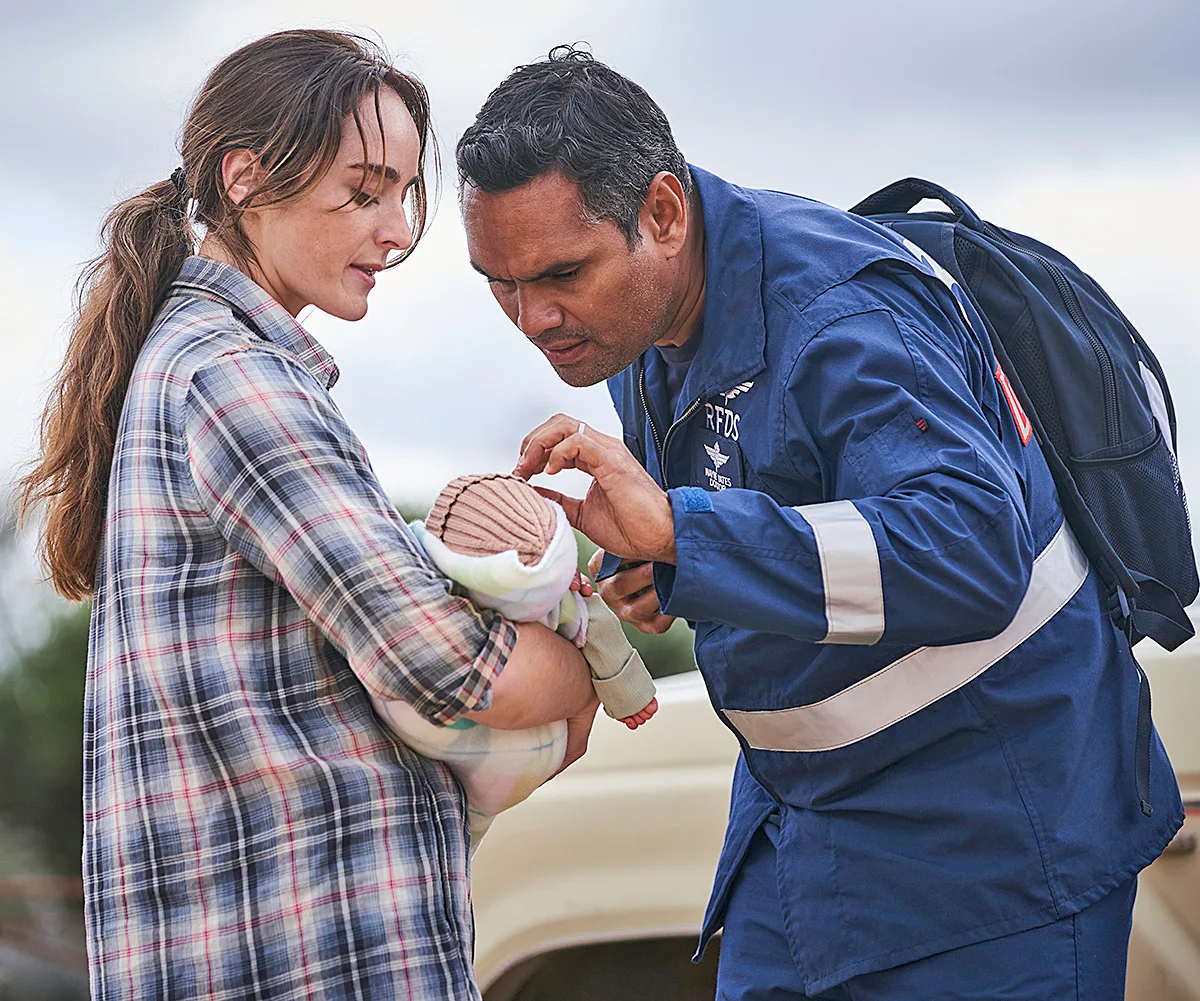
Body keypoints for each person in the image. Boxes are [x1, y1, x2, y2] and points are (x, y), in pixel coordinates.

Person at [455, 46, 1184, 1000]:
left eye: (560, 273)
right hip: (803, 851)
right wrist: (666, 571)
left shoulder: (840, 310)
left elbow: (970, 549)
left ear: (665, 214)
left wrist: (684, 532)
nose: (533, 316)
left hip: (994, 864)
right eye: (497, 283)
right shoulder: (632, 327)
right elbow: (794, 533)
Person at [18, 30, 599, 1001]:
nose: (395, 232)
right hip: (314, 953)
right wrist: (586, 661)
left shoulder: (199, 362)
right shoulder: (235, 381)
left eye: (406, 196)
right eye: (364, 190)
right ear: (245, 179)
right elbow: (453, 666)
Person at [374, 471, 657, 844]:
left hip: (443, 745)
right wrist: (626, 693)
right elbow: (600, 633)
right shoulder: (564, 600)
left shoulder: (415, 575)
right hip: (503, 747)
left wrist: (624, 692)